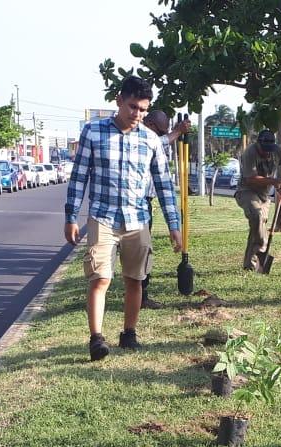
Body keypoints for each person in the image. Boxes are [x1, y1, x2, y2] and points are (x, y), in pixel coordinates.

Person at [64, 76, 181, 359]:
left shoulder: (151, 140)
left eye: (143, 109)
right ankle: (96, 339)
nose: (137, 114)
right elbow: (79, 177)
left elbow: (164, 184)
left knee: (135, 279)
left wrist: (174, 226)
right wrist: (70, 216)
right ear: (118, 100)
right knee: (100, 278)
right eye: (132, 107)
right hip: (102, 217)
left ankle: (129, 334)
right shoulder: (93, 132)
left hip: (138, 219)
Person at [139, 110, 192, 309]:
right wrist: (177, 132)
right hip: (132, 204)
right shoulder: (142, 138)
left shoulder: (153, 138)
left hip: (146, 203)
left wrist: (174, 225)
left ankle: (142, 296)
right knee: (137, 253)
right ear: (150, 123)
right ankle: (138, 296)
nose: (161, 134)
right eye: (160, 130)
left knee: (143, 252)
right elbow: (159, 142)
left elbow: (165, 188)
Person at [235, 129, 281, 271]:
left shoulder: (277, 151)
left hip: (264, 196)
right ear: (258, 144)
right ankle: (261, 248)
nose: (267, 153)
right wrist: (272, 181)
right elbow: (250, 180)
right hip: (246, 191)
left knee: (258, 226)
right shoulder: (250, 152)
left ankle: (249, 265)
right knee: (257, 216)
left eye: (270, 150)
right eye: (264, 150)